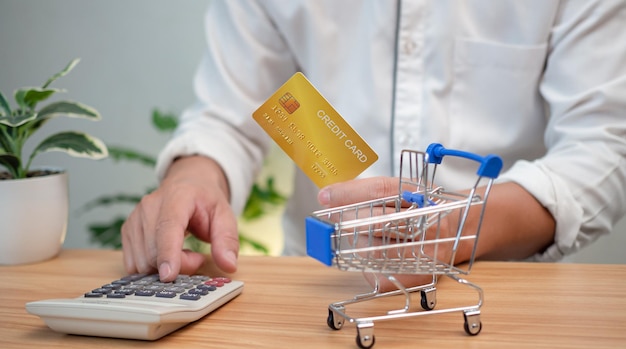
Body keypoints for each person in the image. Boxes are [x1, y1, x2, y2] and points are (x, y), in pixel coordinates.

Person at [121, 0, 626, 285]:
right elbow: (228, 115)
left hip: (505, 289)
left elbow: (603, 147)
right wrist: (192, 176)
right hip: (320, 284)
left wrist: (452, 227)